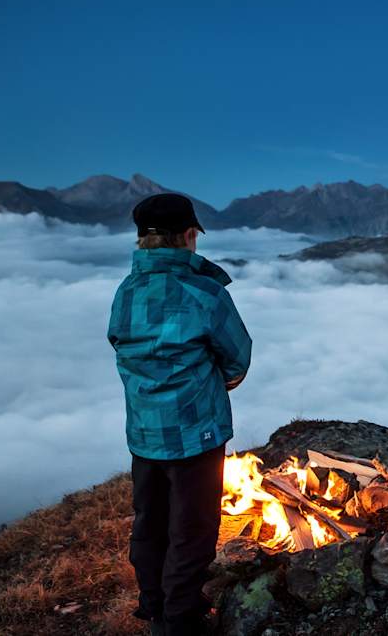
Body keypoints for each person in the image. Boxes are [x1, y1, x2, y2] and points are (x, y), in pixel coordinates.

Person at [107, 193, 252, 636]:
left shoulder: (127, 291)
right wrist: (215, 382)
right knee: (192, 527)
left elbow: (119, 342)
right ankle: (182, 620)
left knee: (150, 522)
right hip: (196, 434)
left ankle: (154, 609)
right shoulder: (205, 292)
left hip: (145, 432)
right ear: (189, 235)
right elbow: (237, 356)